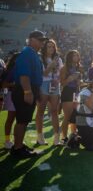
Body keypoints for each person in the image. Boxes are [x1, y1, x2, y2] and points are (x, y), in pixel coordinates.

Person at [10, 30, 48, 158]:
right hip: (24, 89)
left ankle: (18, 146)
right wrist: (28, 91)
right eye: (40, 39)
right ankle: (18, 148)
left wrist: (37, 91)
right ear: (31, 39)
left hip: (30, 88)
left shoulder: (32, 53)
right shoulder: (28, 53)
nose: (42, 42)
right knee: (22, 120)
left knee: (24, 120)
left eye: (43, 40)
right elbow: (24, 75)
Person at [36, 39, 63, 145]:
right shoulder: (40, 58)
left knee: (54, 111)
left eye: (53, 46)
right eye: (49, 46)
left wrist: (58, 80)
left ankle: (57, 138)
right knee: (41, 111)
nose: (51, 48)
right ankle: (40, 136)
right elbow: (44, 73)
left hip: (55, 85)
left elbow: (61, 73)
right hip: (43, 84)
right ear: (44, 48)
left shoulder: (58, 59)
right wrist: (51, 65)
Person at [60, 50, 82, 145]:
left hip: (76, 93)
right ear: (69, 57)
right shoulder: (64, 68)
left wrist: (79, 82)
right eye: (74, 55)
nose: (76, 56)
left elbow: (79, 83)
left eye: (77, 55)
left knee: (75, 116)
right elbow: (62, 83)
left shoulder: (79, 67)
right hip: (67, 92)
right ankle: (64, 137)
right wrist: (70, 79)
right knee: (67, 116)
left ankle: (73, 136)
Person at [1, 53, 19, 149]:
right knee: (10, 119)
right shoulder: (12, 70)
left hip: (20, 96)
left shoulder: (22, 69)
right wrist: (15, 84)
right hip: (12, 96)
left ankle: (17, 140)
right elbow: (4, 84)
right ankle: (7, 141)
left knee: (19, 120)